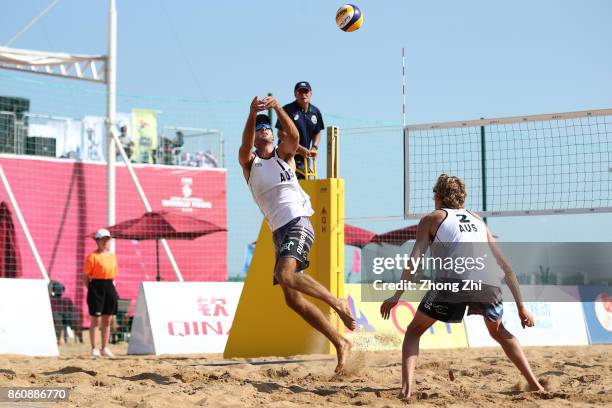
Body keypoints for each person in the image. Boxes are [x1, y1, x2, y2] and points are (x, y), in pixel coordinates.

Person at [380, 174, 544, 400]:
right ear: (461, 197)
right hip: (487, 282)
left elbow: (414, 261)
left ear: (438, 196)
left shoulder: (432, 219)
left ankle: (406, 390)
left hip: (452, 282)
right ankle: (535, 384)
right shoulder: (477, 219)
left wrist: (395, 296)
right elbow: (505, 265)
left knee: (414, 331)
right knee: (499, 331)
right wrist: (521, 307)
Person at [239, 95, 355, 373]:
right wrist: (252, 114)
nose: (263, 130)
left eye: (266, 127)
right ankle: (340, 342)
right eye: (259, 128)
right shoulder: (249, 161)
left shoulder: (285, 155)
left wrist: (277, 108)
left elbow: (292, 133)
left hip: (298, 223)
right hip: (278, 232)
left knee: (286, 275)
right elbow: (244, 144)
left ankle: (337, 302)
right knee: (292, 299)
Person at [275, 81, 324, 179]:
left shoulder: (315, 112)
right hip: (286, 156)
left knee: (303, 188)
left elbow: (317, 132)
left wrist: (314, 147)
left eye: (306, 91)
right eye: (300, 92)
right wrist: (299, 148)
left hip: (304, 159)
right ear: (295, 94)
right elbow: (281, 134)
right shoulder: (287, 110)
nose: (303, 95)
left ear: (310, 93)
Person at [83, 229, 119, 358]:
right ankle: (94, 348)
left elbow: (114, 274)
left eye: (107, 239)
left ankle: (104, 348)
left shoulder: (112, 256)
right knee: (95, 320)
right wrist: (92, 289)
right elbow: (85, 276)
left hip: (109, 286)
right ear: (97, 240)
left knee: (107, 320)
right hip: (96, 287)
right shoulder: (92, 256)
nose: (105, 241)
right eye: (102, 239)